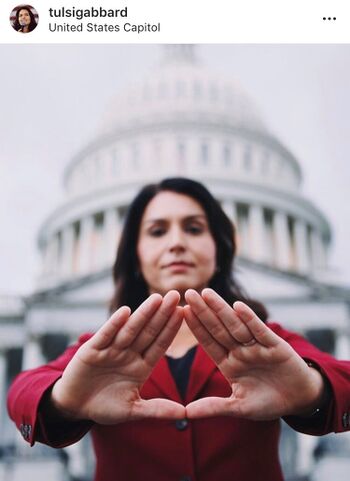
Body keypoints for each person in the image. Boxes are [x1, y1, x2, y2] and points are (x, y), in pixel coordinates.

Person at [7, 177, 350, 481]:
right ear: (136, 256)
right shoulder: (102, 349)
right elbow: (23, 389)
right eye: (157, 231)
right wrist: (63, 400)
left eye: (194, 228)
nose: (177, 243)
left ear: (219, 249)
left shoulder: (264, 341)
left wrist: (312, 389)